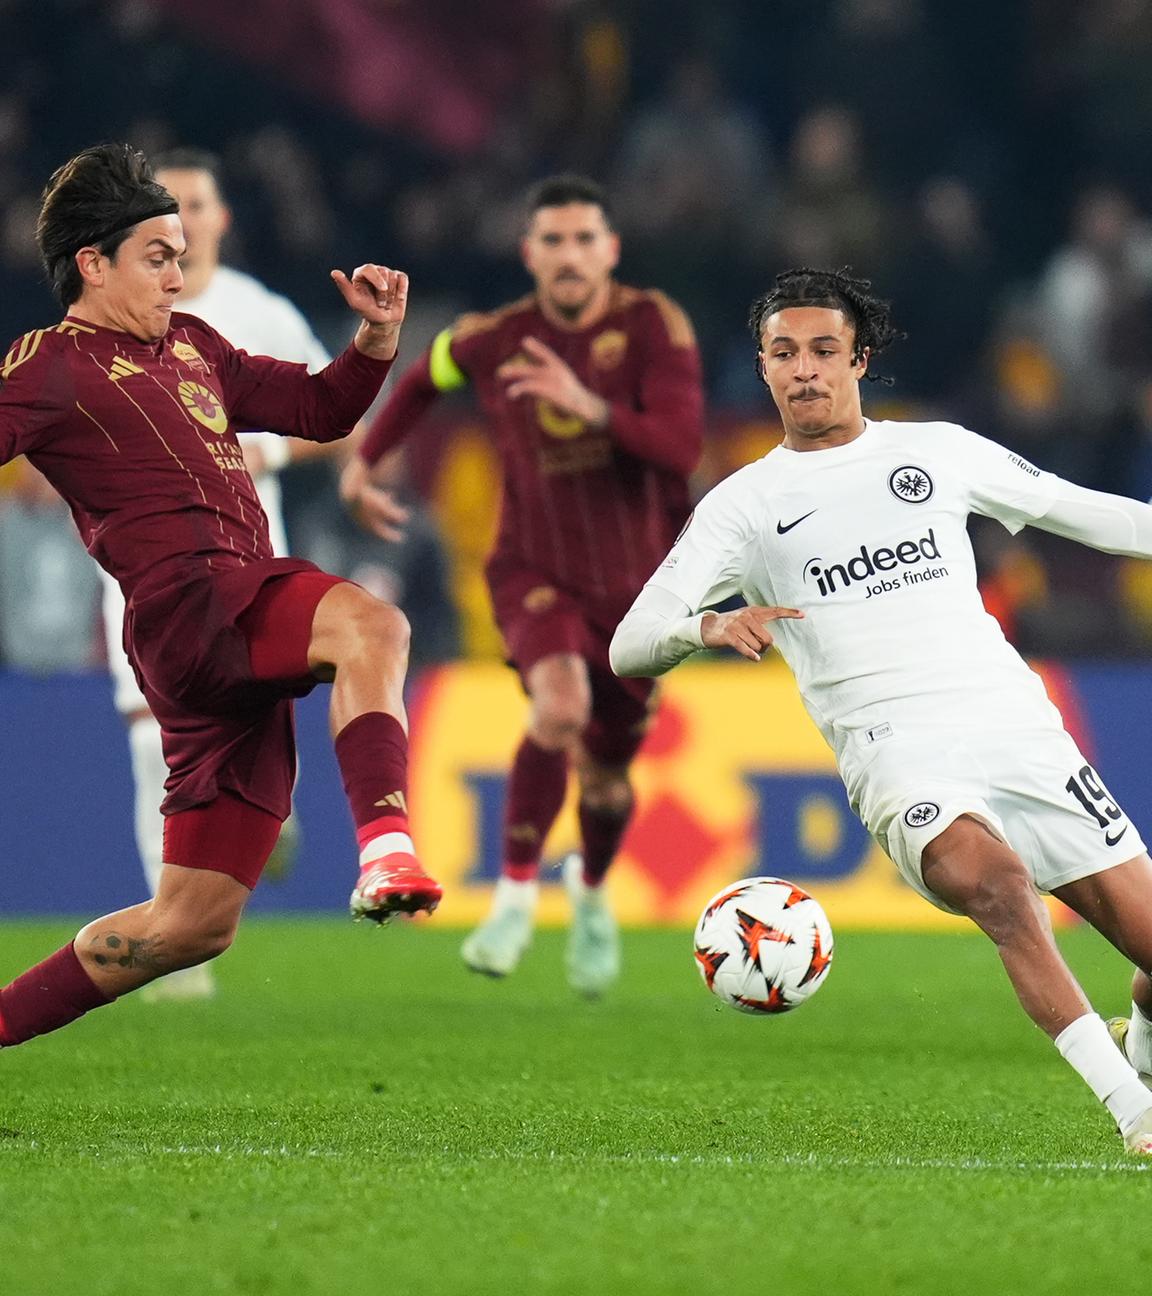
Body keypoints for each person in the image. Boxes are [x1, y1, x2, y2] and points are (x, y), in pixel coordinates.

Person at [610, 266, 1152, 1156]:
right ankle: (1133, 1109)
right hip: (897, 752)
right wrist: (710, 623)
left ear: (860, 360)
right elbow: (631, 641)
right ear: (764, 366)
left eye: (824, 350)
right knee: (1000, 887)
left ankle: (1143, 1036)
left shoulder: (936, 452)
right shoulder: (743, 506)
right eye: (785, 354)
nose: (805, 370)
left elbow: (1094, 518)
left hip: (1018, 729)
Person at [0, 143, 441, 1051]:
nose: (180, 268)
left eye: (183, 248)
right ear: (93, 262)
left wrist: (374, 344)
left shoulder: (194, 343)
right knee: (372, 622)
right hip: (192, 603)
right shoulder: (49, 365)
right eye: (158, 256)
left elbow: (320, 411)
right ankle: (387, 844)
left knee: (189, 925)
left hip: (213, 645)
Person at [342, 174, 704, 995]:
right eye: (554, 241)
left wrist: (591, 406)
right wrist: (366, 459)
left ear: (610, 249)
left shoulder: (652, 325)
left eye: (585, 240)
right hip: (533, 570)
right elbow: (424, 377)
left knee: (609, 782)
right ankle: (511, 898)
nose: (569, 256)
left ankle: (591, 892)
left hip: (639, 591)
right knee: (559, 707)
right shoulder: (493, 338)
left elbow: (681, 449)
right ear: (529, 253)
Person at [97, 147, 354, 1001]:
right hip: (142, 574)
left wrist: (263, 446)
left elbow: (336, 415)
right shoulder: (108, 324)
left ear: (219, 217)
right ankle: (170, 950)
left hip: (248, 565)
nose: (186, 223)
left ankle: (263, 820)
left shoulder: (257, 313)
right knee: (150, 747)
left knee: (259, 734)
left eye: (197, 205)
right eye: (168, 211)